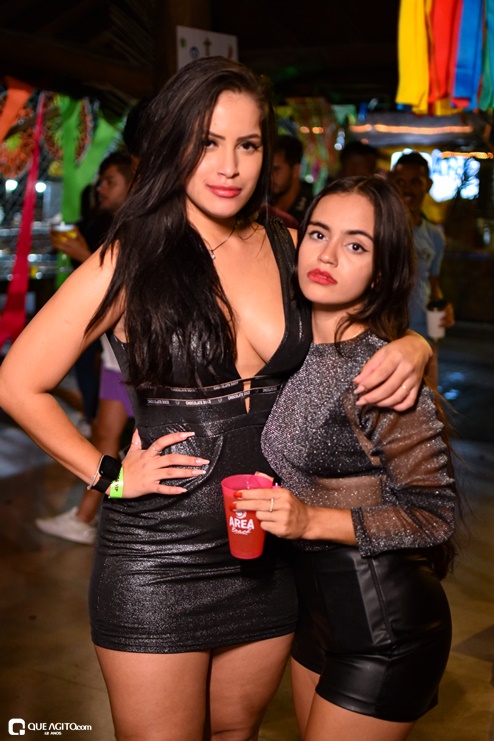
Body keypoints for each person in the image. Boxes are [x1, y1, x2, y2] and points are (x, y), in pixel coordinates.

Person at [0, 58, 431, 740]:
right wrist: (108, 476)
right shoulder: (129, 260)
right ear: (174, 143)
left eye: (248, 144)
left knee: (237, 731)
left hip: (267, 552)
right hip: (156, 556)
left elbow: (363, 325)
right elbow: (17, 382)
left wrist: (414, 346)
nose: (229, 166)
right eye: (208, 142)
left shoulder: (291, 246)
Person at [237, 176, 457, 741]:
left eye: (356, 245)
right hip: (316, 614)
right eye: (318, 234)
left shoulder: (380, 374)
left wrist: (310, 520)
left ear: (381, 272)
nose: (329, 255)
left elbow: (435, 515)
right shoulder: (290, 348)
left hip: (387, 625)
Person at [36, 151, 135, 544]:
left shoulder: (144, 229)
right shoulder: (112, 226)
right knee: (105, 432)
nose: (102, 188)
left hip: (137, 356)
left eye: (110, 181)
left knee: (116, 434)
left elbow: (130, 291)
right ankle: (88, 515)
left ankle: (91, 516)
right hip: (115, 355)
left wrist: (82, 255)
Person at [389, 151, 455, 385]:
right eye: (400, 182)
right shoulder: (383, 230)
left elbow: (433, 283)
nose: (407, 190)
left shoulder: (435, 236)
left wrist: (444, 308)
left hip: (424, 334)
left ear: (428, 185)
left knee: (427, 399)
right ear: (391, 184)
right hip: (388, 333)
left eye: (415, 182)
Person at [270, 134, 314, 223]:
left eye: (276, 169)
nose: (269, 176)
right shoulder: (261, 204)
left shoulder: (311, 212)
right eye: (266, 170)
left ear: (295, 170)